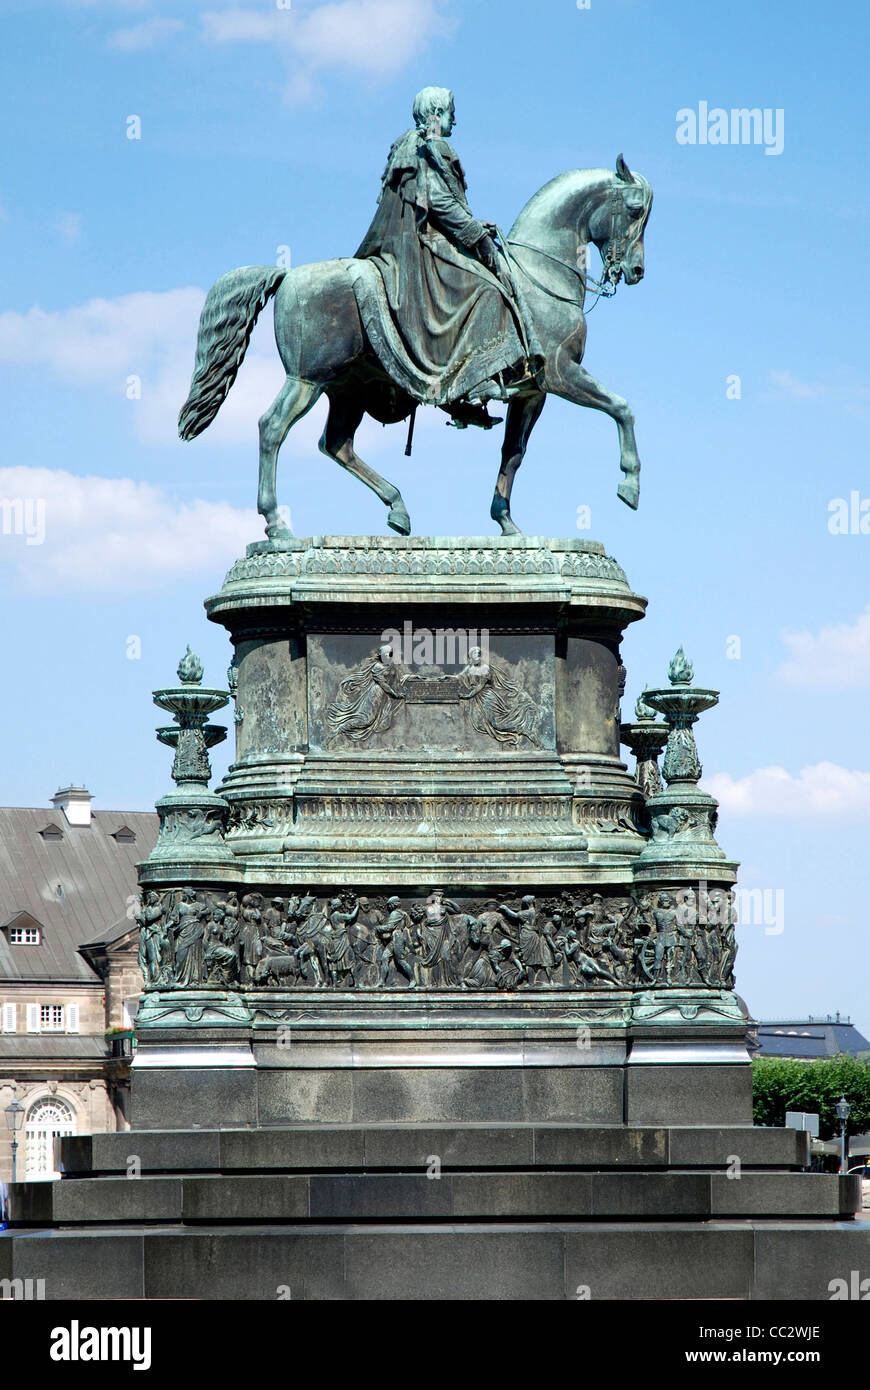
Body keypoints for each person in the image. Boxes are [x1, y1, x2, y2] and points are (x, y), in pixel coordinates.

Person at [353, 86, 540, 429]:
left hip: (418, 238)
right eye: (451, 112)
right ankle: (476, 382)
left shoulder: (409, 145)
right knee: (488, 291)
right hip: (425, 244)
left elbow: (441, 201)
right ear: (436, 114)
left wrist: (473, 223)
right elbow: (438, 202)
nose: (455, 118)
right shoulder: (431, 146)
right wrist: (476, 234)